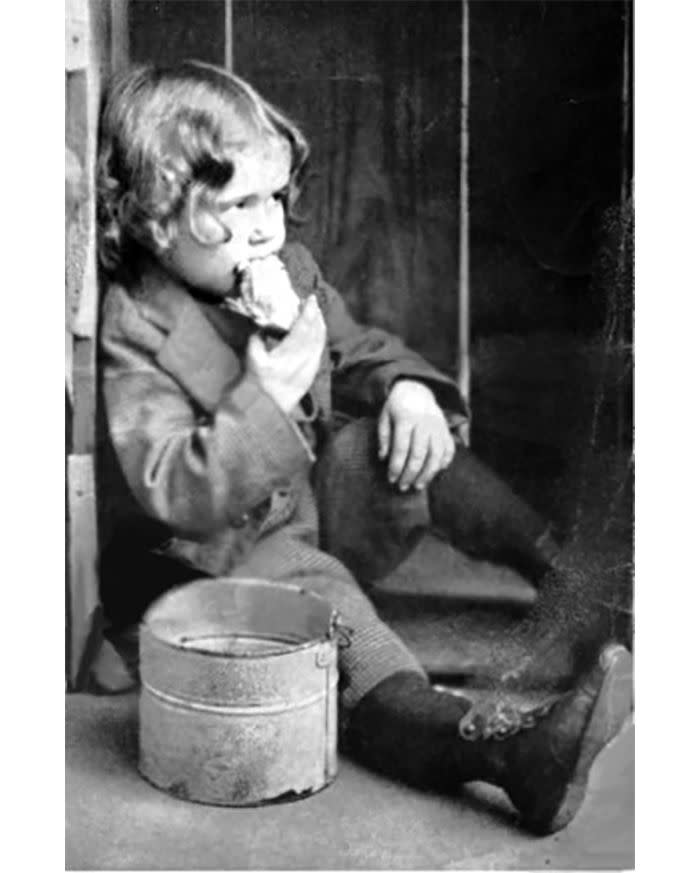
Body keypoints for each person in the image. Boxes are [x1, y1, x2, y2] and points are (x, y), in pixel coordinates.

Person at [96, 61, 632, 835]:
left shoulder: (292, 271)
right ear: (152, 218)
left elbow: (356, 349)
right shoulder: (136, 327)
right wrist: (268, 394)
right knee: (343, 628)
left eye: (273, 198)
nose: (265, 225)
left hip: (314, 504)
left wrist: (407, 390)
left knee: (406, 438)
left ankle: (575, 586)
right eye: (236, 203)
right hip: (228, 559)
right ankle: (502, 751)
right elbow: (171, 487)